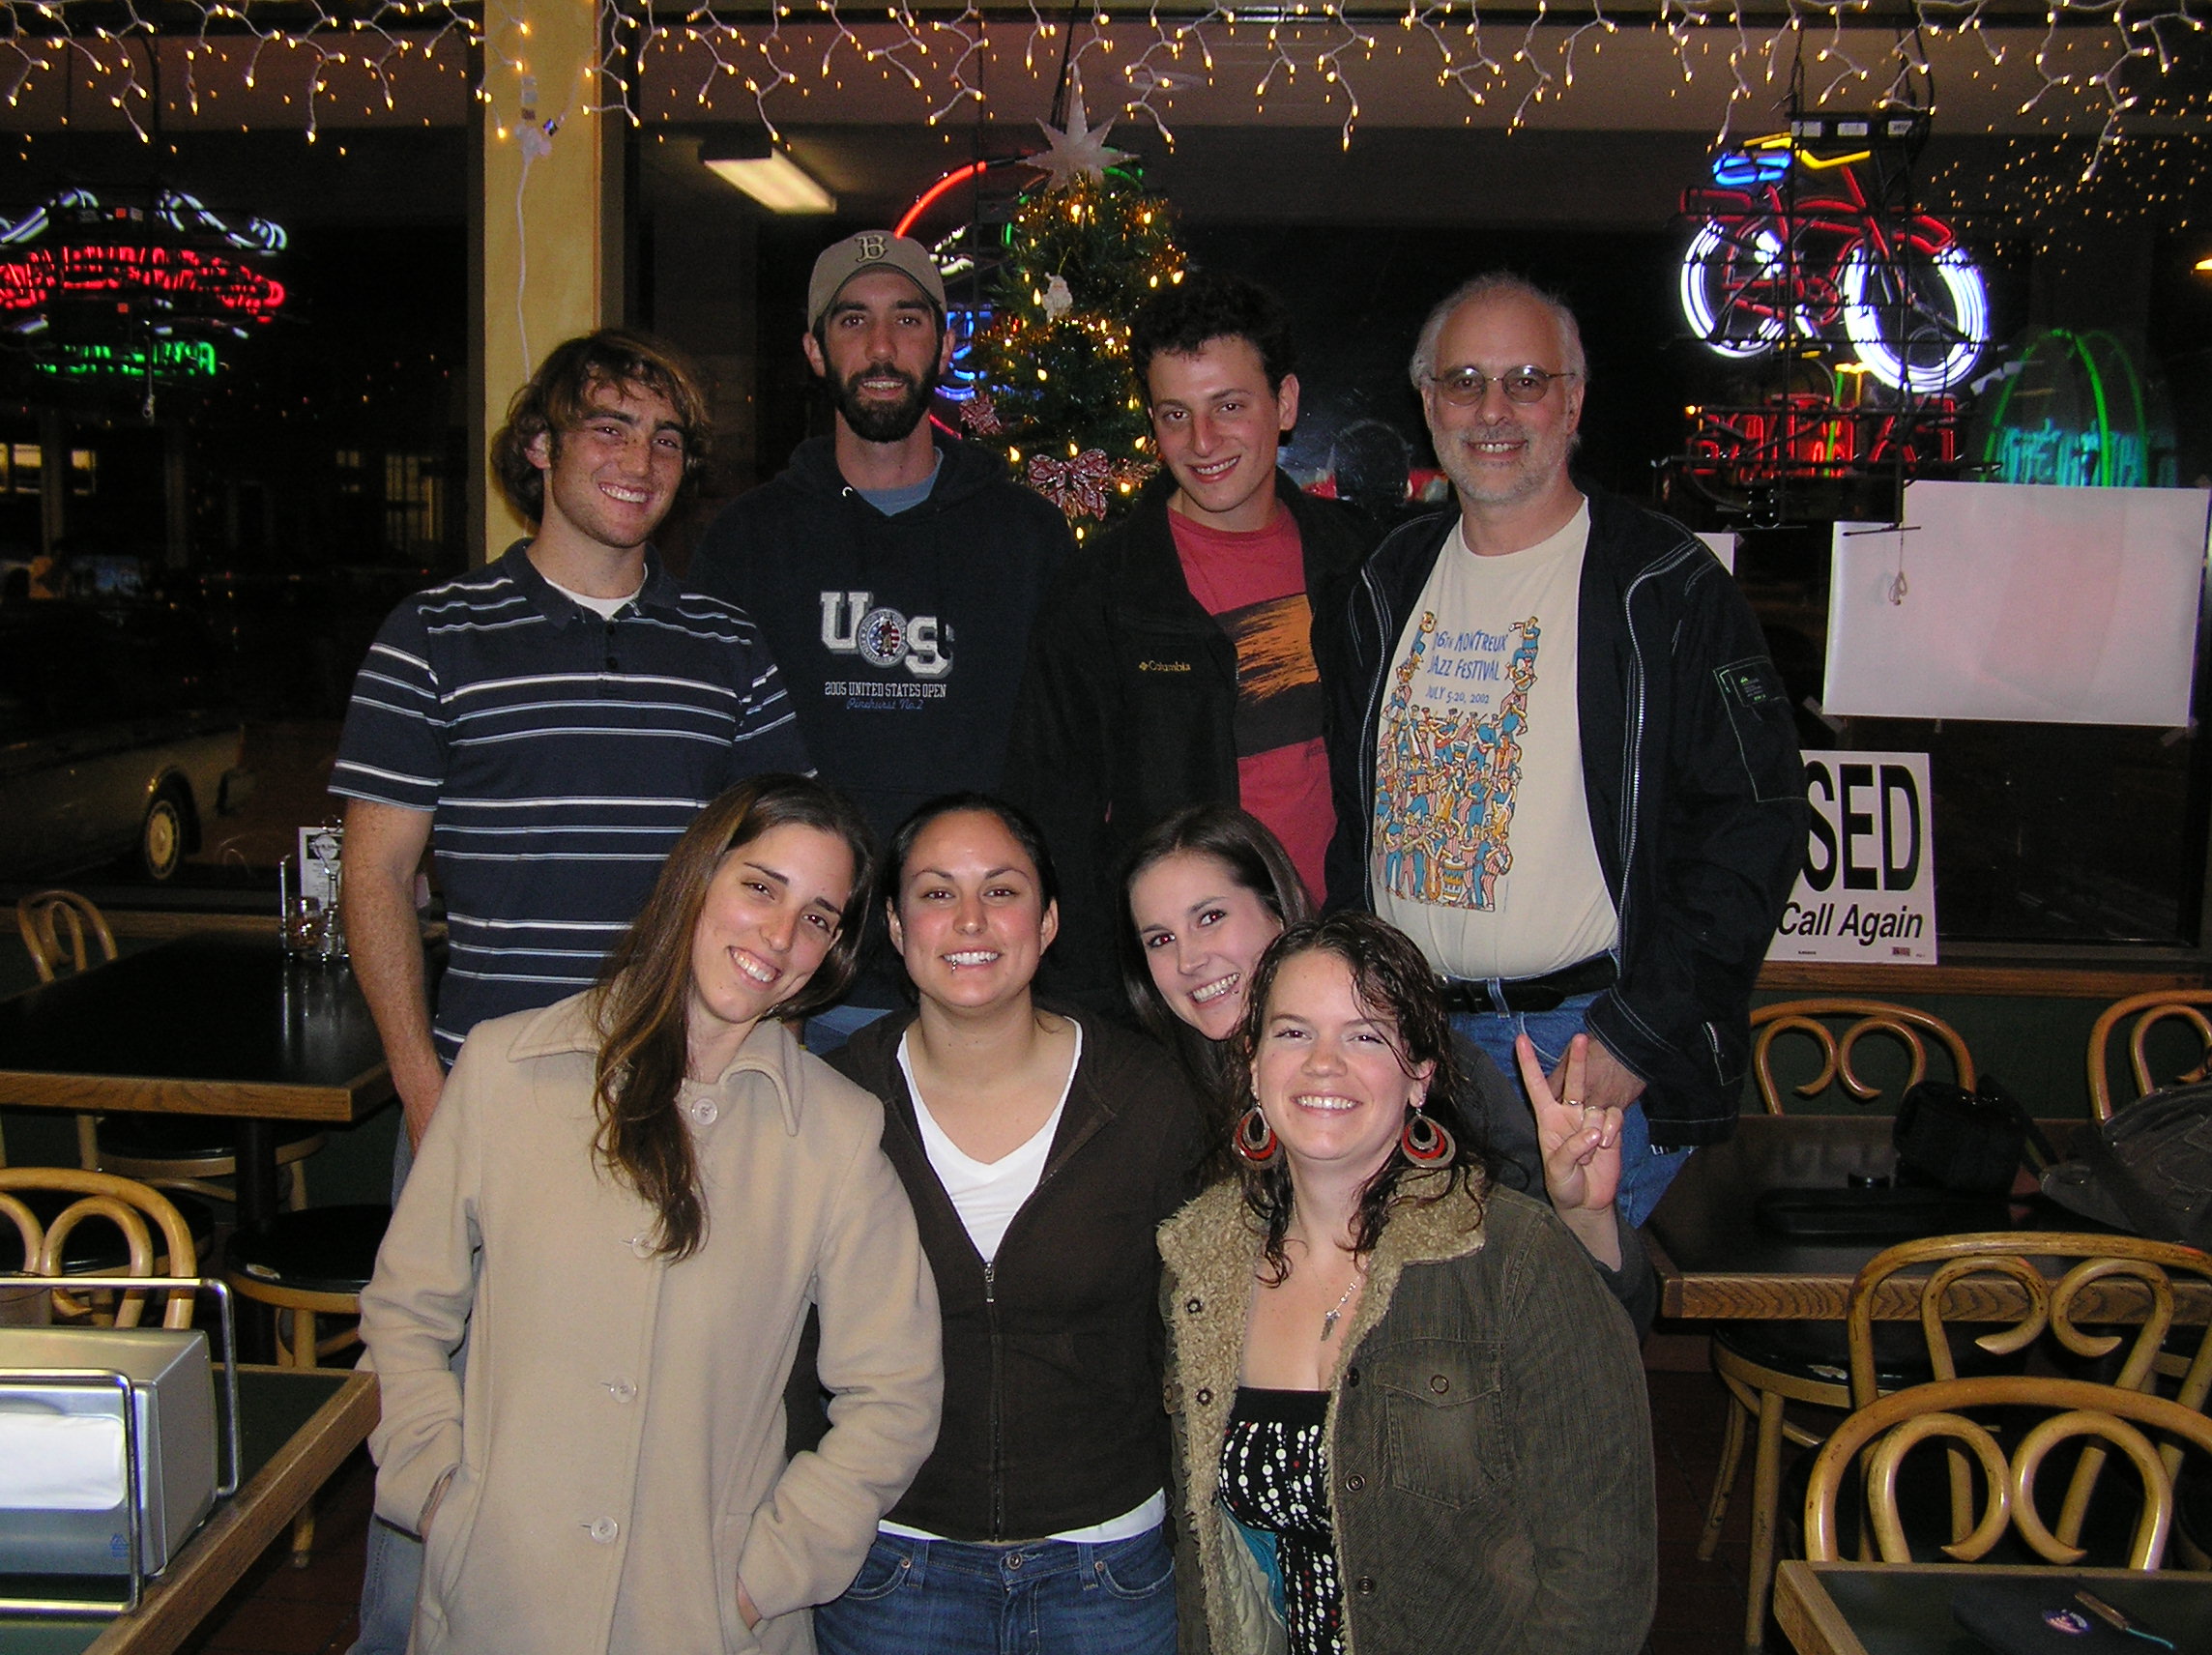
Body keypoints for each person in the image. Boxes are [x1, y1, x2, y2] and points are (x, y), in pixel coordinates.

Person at [332, 328, 810, 1654]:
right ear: (538, 447)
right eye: (607, 426)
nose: (639, 459)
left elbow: (782, 873)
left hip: (683, 1106)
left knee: (664, 1434)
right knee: (444, 1441)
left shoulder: (726, 646)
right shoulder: (432, 637)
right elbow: (377, 882)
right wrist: (427, 1097)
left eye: (666, 439)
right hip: (490, 1109)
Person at [357, 775, 942, 1655]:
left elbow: (895, 1392)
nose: (781, 937)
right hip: (497, 1605)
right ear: (697, 876)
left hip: (702, 1619)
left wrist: (767, 1577)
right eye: (760, 887)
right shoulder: (505, 1070)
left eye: (819, 917)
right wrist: (438, 1492)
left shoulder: (835, 1134)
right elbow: (405, 1312)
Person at [1325, 273, 1805, 1226]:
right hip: (1411, 1049)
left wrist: (1637, 1030)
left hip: (1580, 1047)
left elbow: (1756, 823)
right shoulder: (1383, 583)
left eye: (1525, 380)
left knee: (1560, 1355)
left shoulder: (1663, 585)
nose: (1491, 410)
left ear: (1572, 399)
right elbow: (1357, 825)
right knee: (1424, 1346)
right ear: (1426, 403)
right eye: (1462, 380)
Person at [1159, 912, 1656, 1655]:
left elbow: (1603, 1576)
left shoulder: (1512, 1256)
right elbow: (1209, 1579)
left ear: (1420, 1075)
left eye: (1365, 1036)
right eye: (1293, 1033)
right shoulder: (1200, 1262)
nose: (1325, 1063)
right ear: (1254, 1067)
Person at [798, 794, 1208, 1654]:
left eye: (1004, 890)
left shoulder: (1148, 1098)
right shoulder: (831, 1102)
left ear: (1051, 920)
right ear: (898, 932)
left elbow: (1205, 1333)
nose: (971, 920)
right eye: (937, 894)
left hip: (1110, 1570)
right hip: (889, 1568)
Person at [689, 231, 1075, 1049]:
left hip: (980, 975)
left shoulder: (1028, 538)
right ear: (813, 348)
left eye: (907, 319)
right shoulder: (745, 545)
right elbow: (709, 774)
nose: (881, 347)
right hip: (795, 990)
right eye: (852, 320)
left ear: (941, 341)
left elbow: (1067, 764)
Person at [1121, 802, 1655, 1331]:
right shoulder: (1157, 1104)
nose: (1189, 961)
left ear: (1277, 912)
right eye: (1160, 940)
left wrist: (1587, 1220)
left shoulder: (1418, 1063)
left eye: (1210, 918)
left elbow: (1602, 1323)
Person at [1004, 270, 1374, 1007]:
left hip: (1341, 969)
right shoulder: (1101, 595)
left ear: (1287, 403)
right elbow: (1053, 821)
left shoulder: (1362, 567)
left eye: (1229, 406)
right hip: (1176, 996)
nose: (1201, 442)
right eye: (1175, 415)